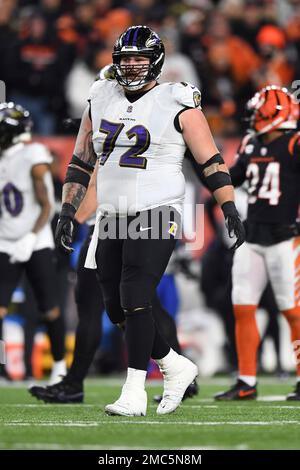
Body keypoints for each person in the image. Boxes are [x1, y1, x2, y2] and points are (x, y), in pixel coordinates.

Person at [54, 25, 245, 416]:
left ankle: (134, 391)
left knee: (136, 297)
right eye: (126, 59)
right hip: (111, 213)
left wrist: (228, 207)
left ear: (156, 61)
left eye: (140, 58)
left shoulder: (177, 100)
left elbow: (210, 161)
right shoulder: (100, 94)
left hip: (158, 209)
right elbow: (80, 160)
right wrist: (68, 210)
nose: (133, 65)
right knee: (114, 306)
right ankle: (175, 365)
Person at [215, 86, 300, 401]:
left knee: (291, 311)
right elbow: (230, 178)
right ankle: (246, 380)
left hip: (285, 237)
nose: (251, 117)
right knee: (242, 306)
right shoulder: (251, 143)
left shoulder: (294, 143)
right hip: (252, 237)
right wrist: (201, 161)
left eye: (257, 110)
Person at [0, 102, 66, 384]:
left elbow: (46, 203)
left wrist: (30, 236)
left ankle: (60, 367)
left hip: (35, 240)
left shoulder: (33, 153)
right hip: (5, 240)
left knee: (49, 308)